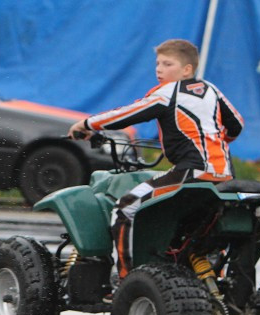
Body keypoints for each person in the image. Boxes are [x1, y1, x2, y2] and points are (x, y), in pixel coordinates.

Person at [68, 39, 243, 283]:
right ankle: (219, 277)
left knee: (124, 207)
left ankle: (126, 280)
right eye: (158, 63)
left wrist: (86, 124)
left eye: (167, 64)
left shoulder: (166, 93)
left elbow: (126, 114)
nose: (159, 69)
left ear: (186, 70)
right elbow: (236, 125)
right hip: (224, 174)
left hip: (192, 172)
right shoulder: (211, 90)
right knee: (208, 219)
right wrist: (218, 141)